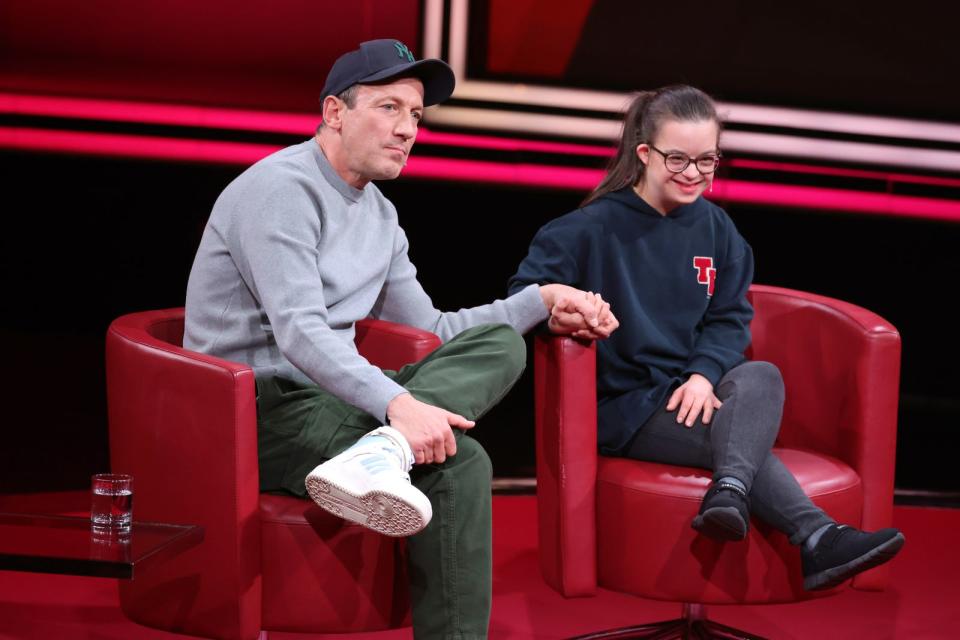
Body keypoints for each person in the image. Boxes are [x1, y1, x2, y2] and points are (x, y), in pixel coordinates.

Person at [183, 39, 616, 639]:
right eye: (389, 108)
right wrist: (399, 405)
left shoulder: (381, 217)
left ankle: (383, 450)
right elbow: (300, 332)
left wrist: (539, 300)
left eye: (415, 116)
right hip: (258, 411)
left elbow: (433, 332)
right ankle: (388, 446)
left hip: (329, 400)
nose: (407, 130)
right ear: (335, 112)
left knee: (501, 346)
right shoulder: (279, 189)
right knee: (461, 460)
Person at [508, 84, 903, 592]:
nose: (693, 173)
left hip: (691, 390)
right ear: (645, 154)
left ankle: (732, 492)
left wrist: (701, 375)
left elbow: (729, 318)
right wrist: (561, 311)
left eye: (707, 160)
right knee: (736, 433)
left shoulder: (718, 229)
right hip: (625, 405)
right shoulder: (586, 228)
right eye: (678, 160)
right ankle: (817, 535)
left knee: (761, 374)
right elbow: (525, 297)